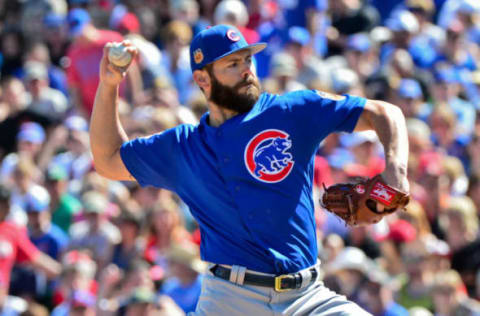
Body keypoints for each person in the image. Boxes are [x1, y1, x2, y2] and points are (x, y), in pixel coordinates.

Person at [90, 25, 409, 315]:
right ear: (203, 79)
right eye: (232, 64)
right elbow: (108, 161)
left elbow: (384, 112)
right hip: (229, 300)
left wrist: (395, 169)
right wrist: (108, 86)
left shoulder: (291, 112)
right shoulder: (182, 147)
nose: (246, 70)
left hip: (307, 297)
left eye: (247, 60)